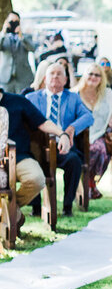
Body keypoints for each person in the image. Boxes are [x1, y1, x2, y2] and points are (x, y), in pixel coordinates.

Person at [25, 60, 94, 217]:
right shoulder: (31, 98)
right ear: (45, 78)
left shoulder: (73, 98)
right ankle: (36, 207)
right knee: (32, 160)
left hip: (63, 147)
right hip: (38, 146)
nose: (55, 76)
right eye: (52, 73)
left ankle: (67, 206)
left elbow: (88, 116)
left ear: (65, 80)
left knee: (74, 161)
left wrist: (72, 128)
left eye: (59, 74)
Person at [0, 86, 73, 231]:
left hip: (19, 156)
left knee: (36, 179)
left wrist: (62, 134)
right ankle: (13, 214)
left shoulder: (18, 101)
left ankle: (8, 209)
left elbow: (42, 122)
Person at [72, 62, 112, 199]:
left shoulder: (108, 94)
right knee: (93, 149)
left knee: (102, 149)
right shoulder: (74, 94)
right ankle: (84, 184)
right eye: (90, 74)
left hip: (99, 133)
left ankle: (90, 183)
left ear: (102, 78)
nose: (93, 77)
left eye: (97, 75)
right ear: (85, 75)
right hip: (77, 135)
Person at [1, 12, 35, 94]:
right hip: (6, 79)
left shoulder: (26, 36)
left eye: (16, 21)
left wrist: (21, 37)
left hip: (23, 77)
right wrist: (3, 32)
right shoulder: (2, 37)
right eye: (11, 21)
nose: (13, 23)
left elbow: (32, 49)